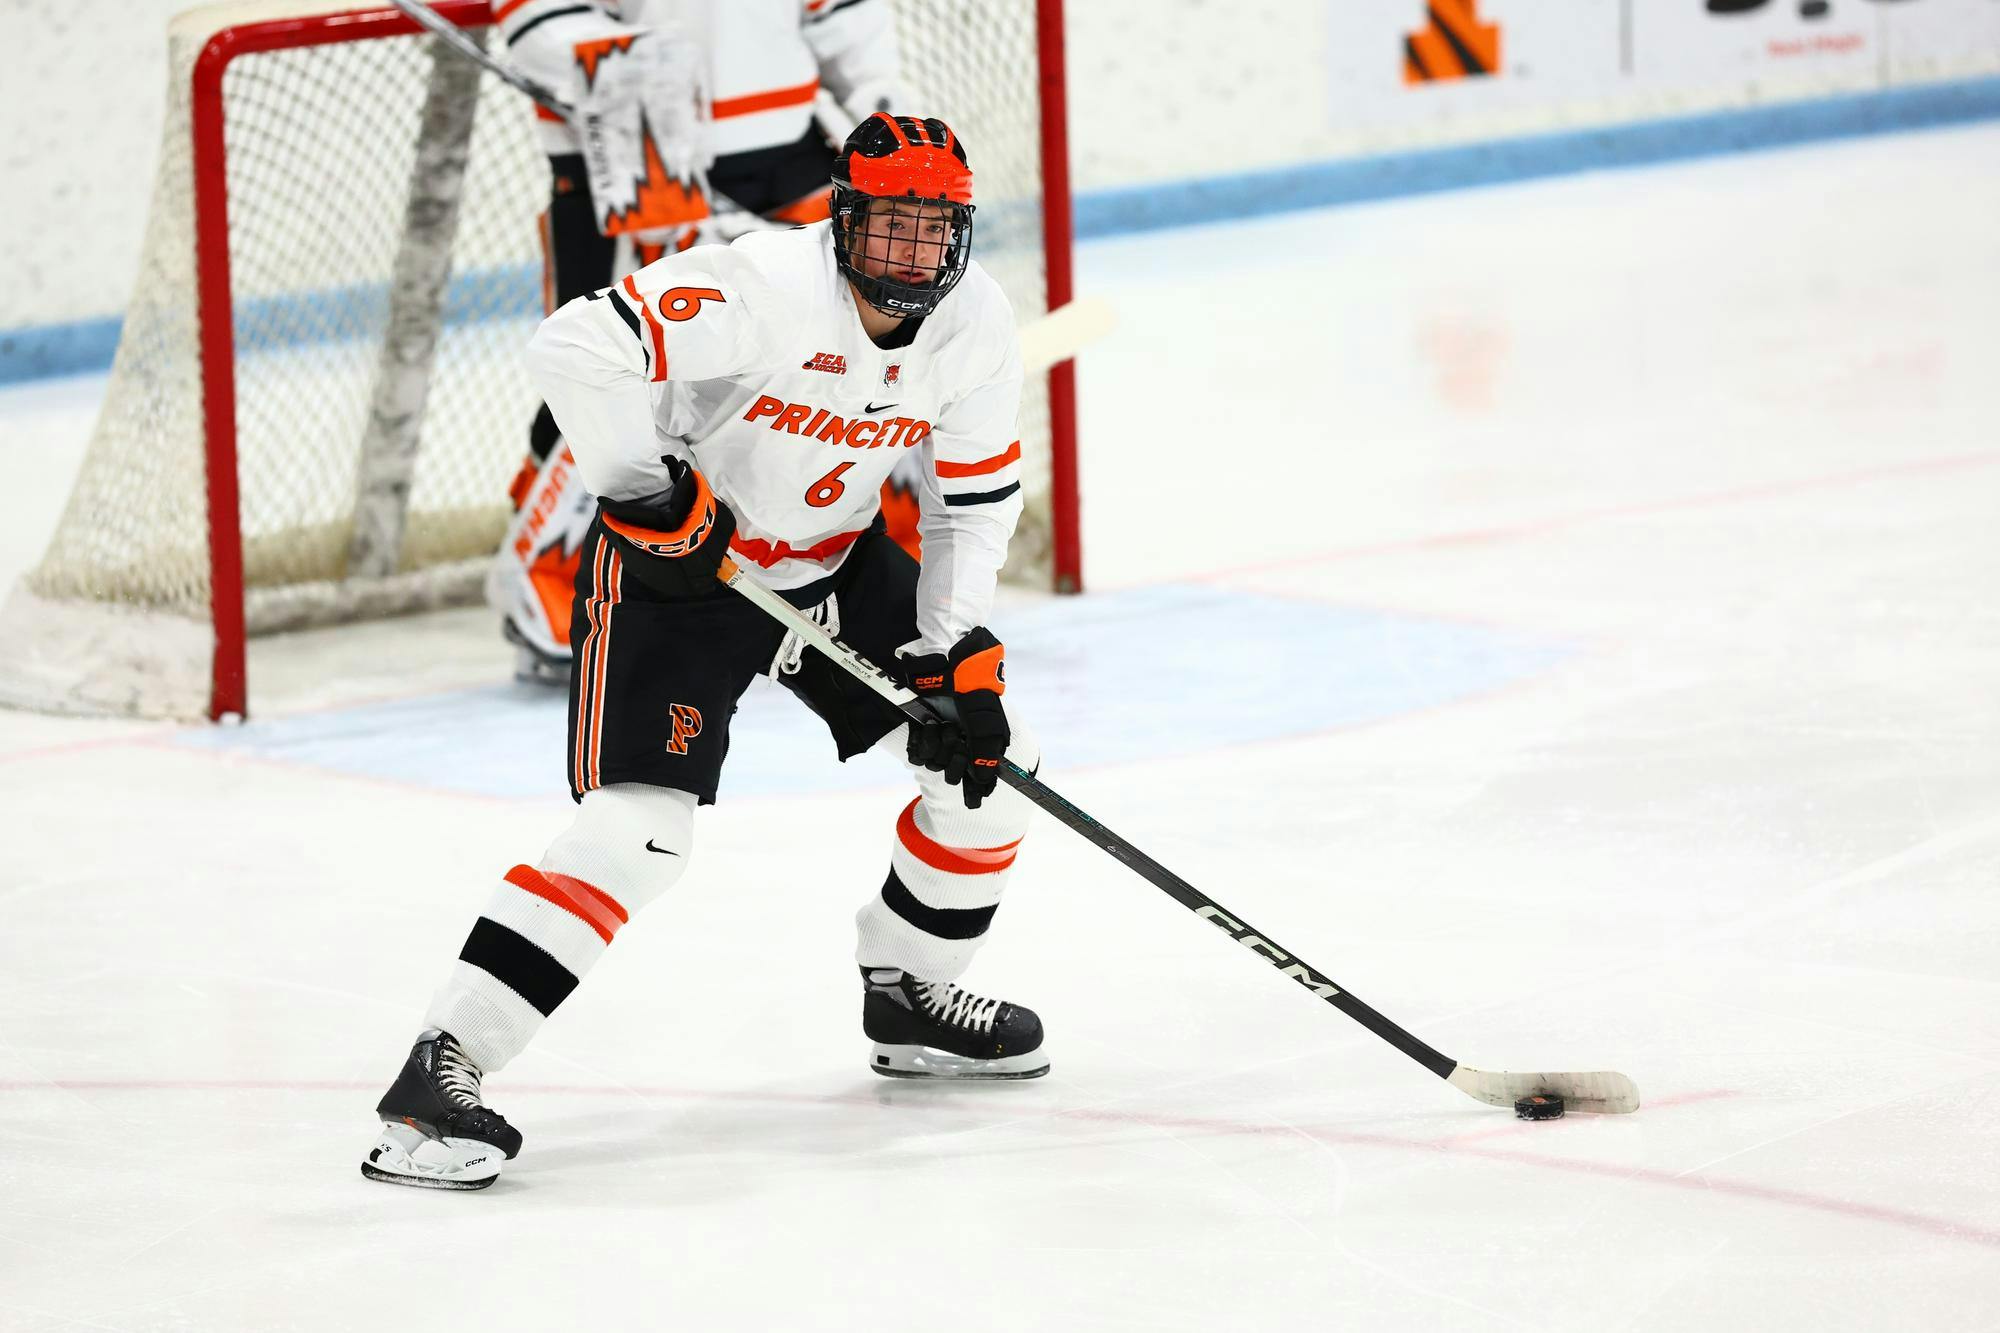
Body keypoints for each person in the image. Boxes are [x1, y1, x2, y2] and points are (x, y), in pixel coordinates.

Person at [362, 113, 1045, 1191]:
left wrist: (949, 645)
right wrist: (644, 491)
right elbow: (573, 344)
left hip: (829, 563)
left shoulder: (977, 324)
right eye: (888, 227)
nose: (910, 253)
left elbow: (972, 500)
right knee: (640, 833)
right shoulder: (762, 286)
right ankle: (437, 1073)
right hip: (682, 576)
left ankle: (907, 997)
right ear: (843, 218)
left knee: (989, 779)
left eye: (933, 231)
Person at [492, 0, 929, 684]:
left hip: (786, 156)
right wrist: (632, 66)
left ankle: (875, 571)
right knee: (613, 367)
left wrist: (889, 118)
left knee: (863, 350)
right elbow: (534, 16)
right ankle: (558, 585)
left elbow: (842, 16)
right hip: (627, 159)